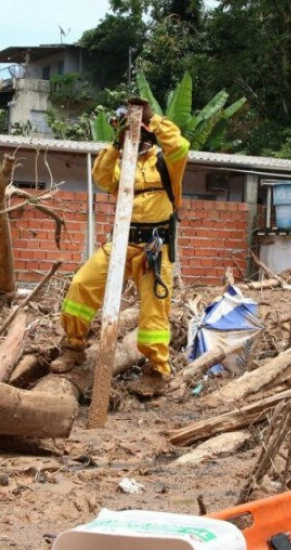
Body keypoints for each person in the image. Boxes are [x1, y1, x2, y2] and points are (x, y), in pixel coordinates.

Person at [50, 98, 190, 397]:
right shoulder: (122, 163)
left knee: (154, 312)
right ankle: (74, 346)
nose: (133, 138)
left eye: (135, 133)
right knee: (81, 285)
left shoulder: (167, 163)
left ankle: (157, 371)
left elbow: (180, 145)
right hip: (122, 242)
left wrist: (152, 120)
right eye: (127, 134)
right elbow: (100, 175)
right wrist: (116, 145)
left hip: (155, 246)